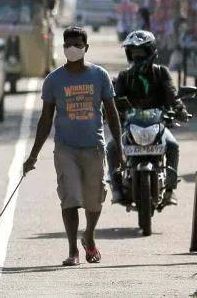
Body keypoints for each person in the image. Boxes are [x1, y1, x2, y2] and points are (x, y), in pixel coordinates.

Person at [23, 26, 124, 266]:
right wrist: (33, 155)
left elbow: (112, 113)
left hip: (94, 147)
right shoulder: (53, 80)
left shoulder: (100, 76)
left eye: (78, 45)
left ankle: (89, 236)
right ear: (63, 47)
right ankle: (72, 251)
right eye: (68, 44)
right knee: (69, 199)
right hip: (65, 149)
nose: (73, 48)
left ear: (86, 48)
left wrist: (119, 148)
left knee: (94, 200)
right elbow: (45, 119)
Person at [109, 30, 190, 206]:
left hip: (157, 124)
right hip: (131, 125)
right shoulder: (124, 76)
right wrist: (109, 111)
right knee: (111, 147)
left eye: (141, 52)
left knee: (173, 145)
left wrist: (180, 110)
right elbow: (115, 99)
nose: (137, 57)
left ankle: (170, 190)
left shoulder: (161, 73)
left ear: (151, 52)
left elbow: (172, 95)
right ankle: (116, 187)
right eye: (133, 53)